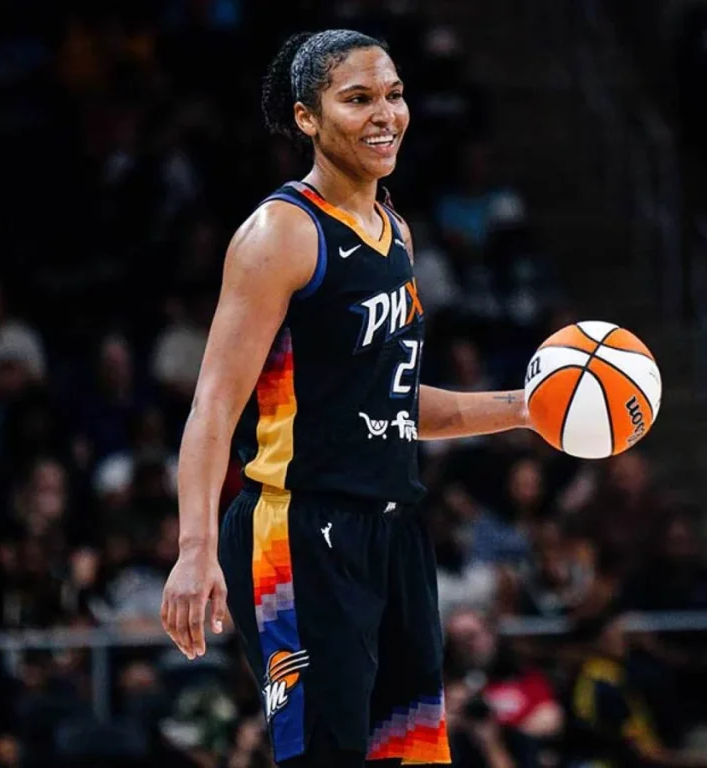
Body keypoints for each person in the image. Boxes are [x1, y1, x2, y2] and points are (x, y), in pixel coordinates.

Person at [160, 29, 532, 768]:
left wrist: (523, 408)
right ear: (307, 117)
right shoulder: (281, 233)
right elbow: (214, 404)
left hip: (393, 532)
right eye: (358, 99)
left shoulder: (395, 231)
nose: (384, 114)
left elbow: (394, 404)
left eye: (393, 95)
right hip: (299, 530)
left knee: (411, 755)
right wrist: (194, 548)